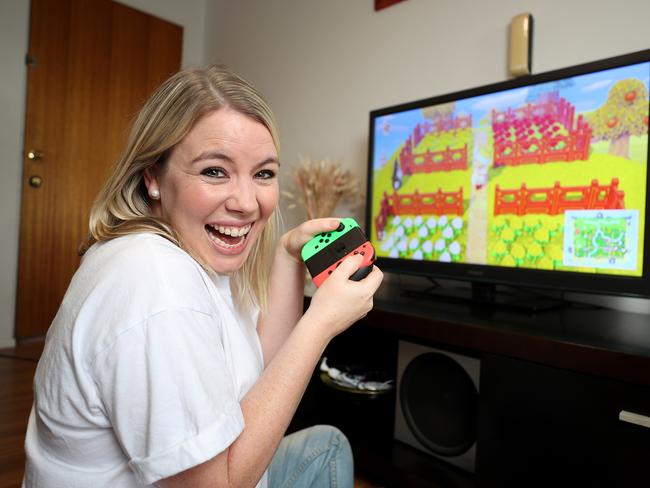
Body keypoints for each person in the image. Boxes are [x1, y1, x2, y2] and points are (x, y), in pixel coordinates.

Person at [22, 65, 383, 487]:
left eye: (263, 173)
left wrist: (287, 256)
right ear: (152, 177)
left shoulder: (184, 251)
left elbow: (261, 373)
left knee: (326, 445)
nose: (248, 203)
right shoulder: (156, 285)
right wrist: (318, 326)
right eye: (215, 171)